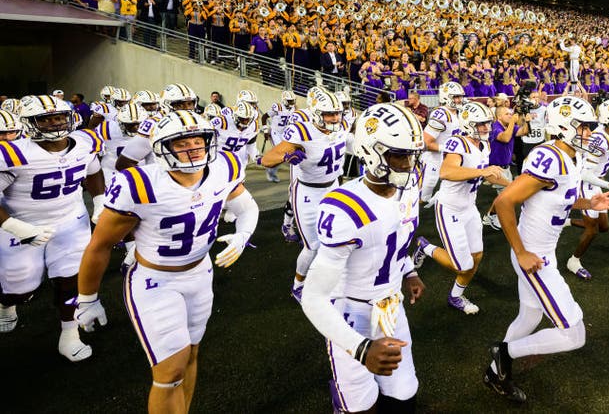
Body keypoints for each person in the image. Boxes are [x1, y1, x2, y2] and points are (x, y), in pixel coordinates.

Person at [75, 110, 259, 413]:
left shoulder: (224, 165)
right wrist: (87, 298)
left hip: (201, 273)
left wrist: (242, 235)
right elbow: (100, 245)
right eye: (181, 144)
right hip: (155, 281)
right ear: (162, 149)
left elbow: (247, 207)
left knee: (190, 355)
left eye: (198, 142)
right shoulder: (139, 184)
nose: (193, 150)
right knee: (169, 370)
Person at [485, 96, 609, 403]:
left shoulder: (571, 157)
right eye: (583, 127)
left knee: (529, 316)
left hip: (545, 251)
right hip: (534, 256)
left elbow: (556, 197)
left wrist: (589, 203)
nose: (589, 134)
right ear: (563, 126)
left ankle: (494, 373)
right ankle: (503, 352)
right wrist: (520, 252)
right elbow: (505, 201)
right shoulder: (550, 156)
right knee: (574, 333)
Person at [300, 103, 426, 413]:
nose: (409, 163)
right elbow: (313, 298)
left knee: (403, 395)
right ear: (372, 152)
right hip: (351, 313)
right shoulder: (345, 207)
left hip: (391, 306)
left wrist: (408, 271)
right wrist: (361, 347)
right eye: (399, 154)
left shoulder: (407, 189)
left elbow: (393, 237)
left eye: (412, 154)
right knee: (361, 406)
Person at [0, 95, 106, 361]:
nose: (54, 123)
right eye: (45, 119)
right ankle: (7, 303)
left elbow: (92, 170)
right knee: (21, 290)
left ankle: (69, 333)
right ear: (29, 123)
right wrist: (14, 225)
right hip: (22, 226)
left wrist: (99, 201)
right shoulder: (13, 153)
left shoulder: (84, 142)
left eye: (59, 117)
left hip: (71, 220)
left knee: (71, 279)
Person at [413, 101, 508, 314]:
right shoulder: (458, 143)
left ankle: (455, 296)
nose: (486, 128)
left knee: (476, 256)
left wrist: (516, 185)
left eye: (487, 123)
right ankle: (425, 247)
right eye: (481, 124)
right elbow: (446, 172)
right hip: (449, 209)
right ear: (468, 124)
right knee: (461, 265)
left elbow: (488, 174)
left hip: (469, 207)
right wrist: (482, 173)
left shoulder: (484, 146)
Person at [259, 91, 349, 302]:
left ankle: (329, 277)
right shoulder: (302, 130)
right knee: (313, 246)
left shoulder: (343, 126)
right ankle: (298, 285)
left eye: (337, 113)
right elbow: (267, 159)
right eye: (329, 115)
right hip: (309, 192)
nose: (335, 119)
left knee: (336, 238)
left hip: (333, 187)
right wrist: (286, 155)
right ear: (317, 113)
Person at [566, 98, 609, 280]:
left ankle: (567, 221)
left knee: (604, 227)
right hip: (586, 183)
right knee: (592, 230)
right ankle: (574, 261)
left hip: (595, 181)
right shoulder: (600, 138)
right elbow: (585, 173)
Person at [419, 82, 465, 205]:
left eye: (460, 96)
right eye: (456, 97)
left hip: (451, 157)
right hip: (434, 158)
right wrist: (447, 148)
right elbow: (426, 142)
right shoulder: (441, 114)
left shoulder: (460, 112)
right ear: (445, 97)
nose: (460, 100)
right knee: (424, 193)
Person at [262, 90, 297, 183]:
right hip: (276, 133)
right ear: (284, 100)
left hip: (285, 133)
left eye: (293, 101)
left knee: (285, 154)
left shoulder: (293, 108)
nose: (292, 103)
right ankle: (271, 170)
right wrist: (266, 130)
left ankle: (271, 168)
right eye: (290, 101)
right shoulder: (278, 107)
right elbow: (264, 117)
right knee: (281, 153)